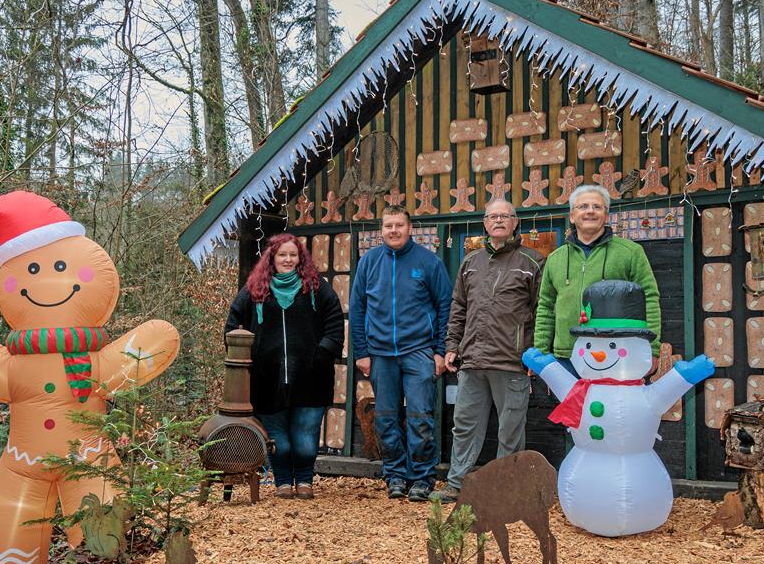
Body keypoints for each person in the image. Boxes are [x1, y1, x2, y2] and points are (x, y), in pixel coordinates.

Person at [433, 199, 544, 503]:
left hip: (512, 362)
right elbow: (459, 308)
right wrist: (452, 345)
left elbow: (542, 311)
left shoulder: (532, 261)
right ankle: (456, 484)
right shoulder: (471, 262)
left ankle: (505, 489)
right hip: (472, 360)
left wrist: (534, 354)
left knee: (510, 430)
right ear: (484, 223)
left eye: (504, 216)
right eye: (492, 216)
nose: (498, 221)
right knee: (465, 426)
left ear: (515, 222)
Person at [225, 233, 344, 499]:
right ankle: (282, 482)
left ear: (301, 259)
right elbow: (233, 326)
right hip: (266, 378)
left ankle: (304, 481)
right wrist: (248, 361)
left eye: (293, 255)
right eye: (282, 255)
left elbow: (335, 324)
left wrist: (321, 355)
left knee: (305, 434)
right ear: (272, 259)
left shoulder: (317, 288)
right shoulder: (254, 291)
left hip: (311, 377)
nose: (288, 260)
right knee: (277, 435)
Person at [350, 206, 452, 501]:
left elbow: (445, 306)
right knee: (385, 419)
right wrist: (362, 352)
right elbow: (357, 309)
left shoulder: (428, 262)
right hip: (380, 354)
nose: (393, 231)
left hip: (419, 351)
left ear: (410, 229)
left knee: (421, 417)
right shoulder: (369, 262)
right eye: (388, 226)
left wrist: (439, 351)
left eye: (399, 225)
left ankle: (422, 478)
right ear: (381, 230)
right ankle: (395, 474)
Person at [533, 184, 661, 374]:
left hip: (616, 353)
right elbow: (546, 306)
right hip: (566, 356)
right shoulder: (555, 258)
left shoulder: (630, 252)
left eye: (597, 207)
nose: (590, 211)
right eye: (583, 206)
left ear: (607, 215)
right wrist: (540, 352)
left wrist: (652, 348)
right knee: (571, 405)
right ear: (572, 216)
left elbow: (649, 299)